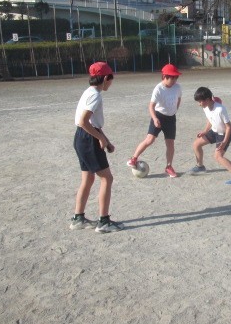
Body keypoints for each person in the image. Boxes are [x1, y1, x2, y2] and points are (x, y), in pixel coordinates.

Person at [71, 61, 121, 233]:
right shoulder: (95, 95)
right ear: (106, 78)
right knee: (107, 178)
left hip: (81, 138)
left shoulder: (88, 92)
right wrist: (100, 138)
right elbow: (84, 121)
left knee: (88, 178)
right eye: (111, 79)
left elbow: (92, 123)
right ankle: (104, 222)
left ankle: (78, 219)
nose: (111, 83)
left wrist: (106, 140)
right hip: (88, 139)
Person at [127, 63, 182, 178]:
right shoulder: (158, 89)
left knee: (170, 144)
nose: (174, 80)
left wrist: (174, 111)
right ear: (164, 76)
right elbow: (151, 106)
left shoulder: (177, 87)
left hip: (171, 119)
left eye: (176, 77)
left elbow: (179, 99)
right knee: (150, 139)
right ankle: (134, 158)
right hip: (158, 116)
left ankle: (169, 167)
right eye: (172, 78)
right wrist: (155, 118)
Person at [191, 87, 231, 185]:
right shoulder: (205, 107)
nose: (199, 104)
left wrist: (224, 142)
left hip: (225, 134)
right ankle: (200, 166)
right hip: (214, 131)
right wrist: (205, 131)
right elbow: (210, 119)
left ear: (207, 99)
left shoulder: (220, 109)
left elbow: (228, 127)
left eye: (200, 101)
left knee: (218, 156)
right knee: (196, 144)